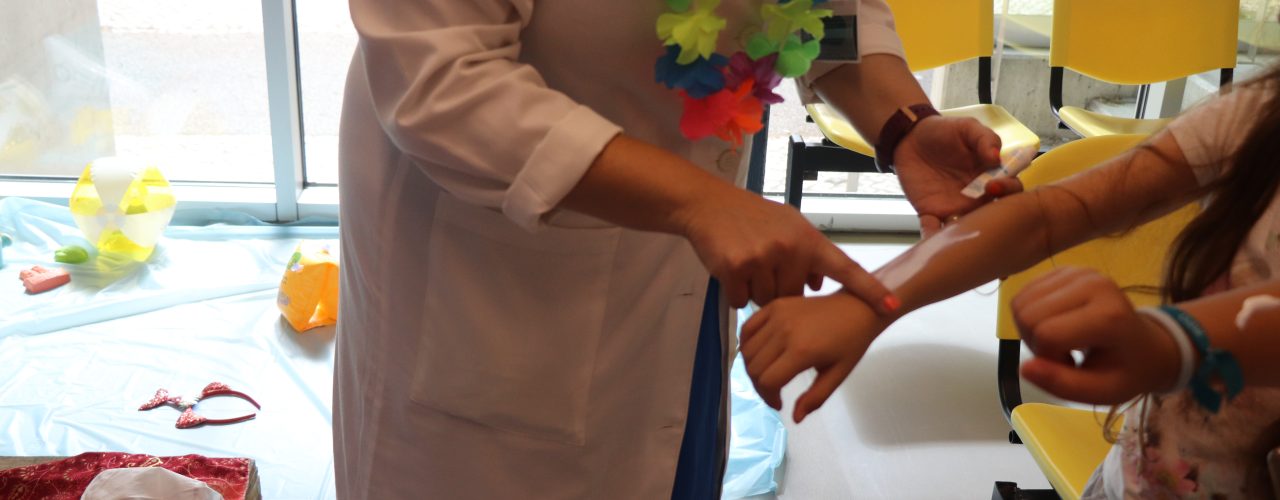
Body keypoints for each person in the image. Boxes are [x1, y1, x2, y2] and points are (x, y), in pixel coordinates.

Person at [333, 1, 1014, 498]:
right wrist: (699, 203)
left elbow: (825, 13)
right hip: (501, 275)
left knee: (665, 457)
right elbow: (436, 79)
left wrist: (902, 125)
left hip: (681, 283)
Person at [741, 64, 1280, 498]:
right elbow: (1046, 215)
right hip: (1140, 480)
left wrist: (1169, 342)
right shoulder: (1259, 112)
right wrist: (867, 304)